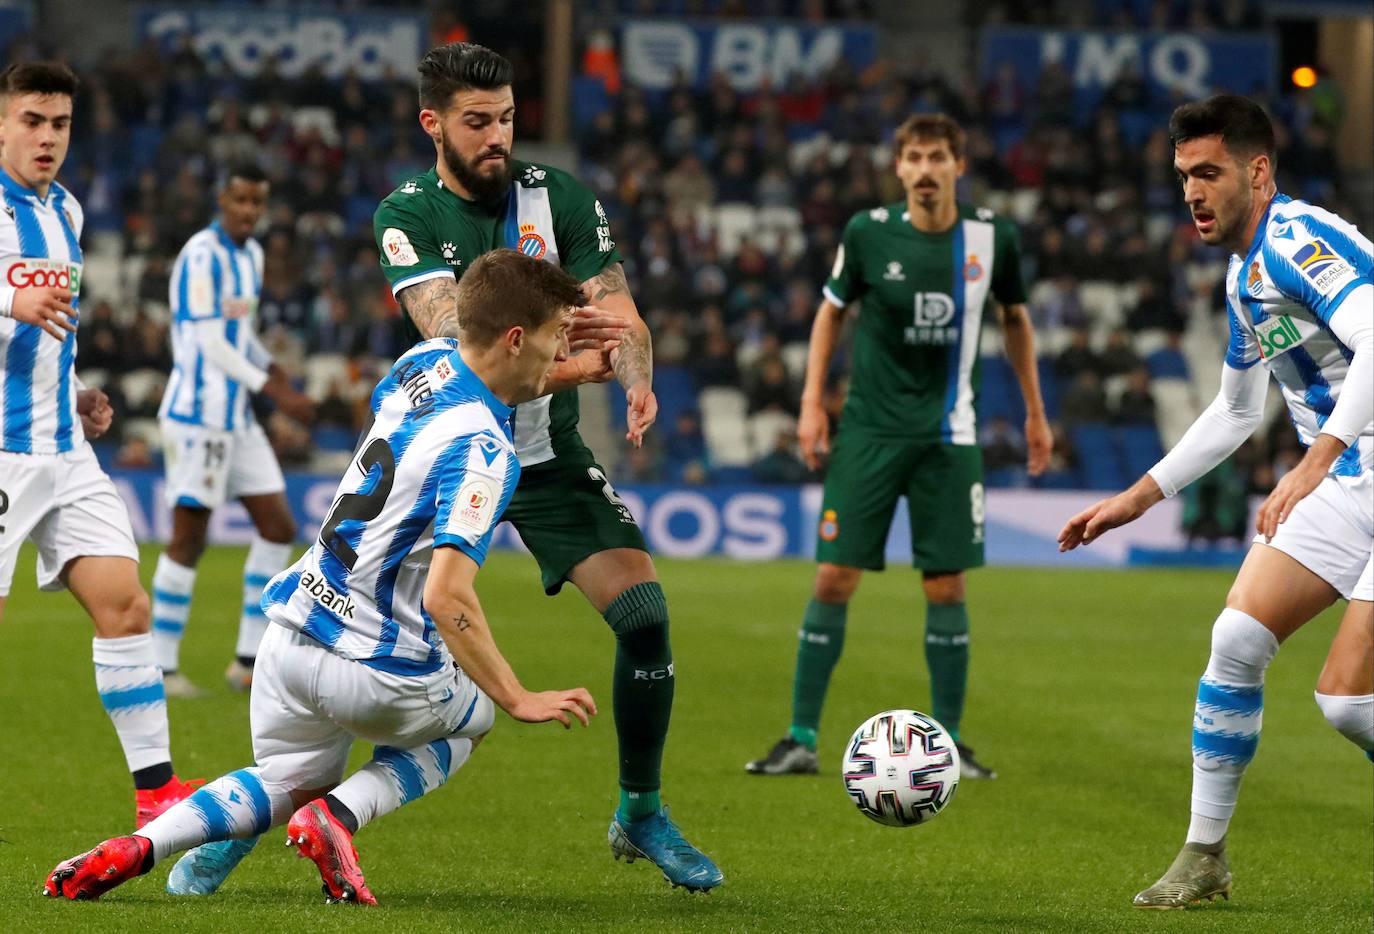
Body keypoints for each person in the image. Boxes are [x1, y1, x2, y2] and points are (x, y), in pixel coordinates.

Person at [42, 249, 599, 905]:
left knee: (286, 777)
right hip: (379, 670)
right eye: (556, 336)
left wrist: (582, 369)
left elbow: (494, 370)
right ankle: (338, 817)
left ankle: (148, 846)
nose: (560, 350)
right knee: (471, 719)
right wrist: (517, 696)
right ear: (515, 338)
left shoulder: (416, 365)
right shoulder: (485, 453)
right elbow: (447, 596)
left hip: (290, 636)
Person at [371, 43, 721, 890]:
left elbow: (621, 314)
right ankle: (257, 812)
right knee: (357, 645)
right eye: (478, 122)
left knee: (644, 615)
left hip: (547, 454)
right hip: (450, 453)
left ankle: (641, 812)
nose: (498, 136)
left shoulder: (558, 197)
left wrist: (634, 376)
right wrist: (586, 363)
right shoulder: (407, 215)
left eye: (508, 119)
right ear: (434, 125)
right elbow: (464, 348)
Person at [1058, 94, 1372, 910]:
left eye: (1209, 173)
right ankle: (1205, 859)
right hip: (1346, 481)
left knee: (1346, 701)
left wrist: (1316, 458)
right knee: (1236, 637)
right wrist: (1139, 495)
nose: (1193, 192)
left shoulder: (1302, 240)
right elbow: (1237, 410)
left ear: (1258, 171)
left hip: (1342, 468)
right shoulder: (1244, 274)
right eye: (1183, 176)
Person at [746, 113, 1052, 780]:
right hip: (869, 432)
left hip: (950, 434)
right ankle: (799, 738)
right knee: (833, 576)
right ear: (899, 167)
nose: (923, 170)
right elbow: (831, 310)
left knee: (945, 586)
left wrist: (1034, 411)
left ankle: (949, 744)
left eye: (936, 157)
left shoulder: (991, 238)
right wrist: (809, 402)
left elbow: (1016, 319)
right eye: (911, 157)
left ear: (957, 166)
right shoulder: (867, 232)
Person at [0, 61, 200, 826]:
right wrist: (11, 298)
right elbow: (20, 302)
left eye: (60, 125)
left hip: (64, 448)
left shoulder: (70, 213)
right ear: (4, 123)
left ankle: (156, 795)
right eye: (32, 121)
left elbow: (56, 325)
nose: (47, 137)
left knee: (125, 604)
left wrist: (73, 391)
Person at [151, 163, 317, 697]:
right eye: (240, 200)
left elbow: (239, 335)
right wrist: (271, 390)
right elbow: (206, 341)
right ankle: (160, 665)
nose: (249, 211)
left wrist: (274, 370)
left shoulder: (252, 254)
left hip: (237, 419)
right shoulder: (202, 255)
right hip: (196, 415)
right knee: (188, 538)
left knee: (277, 525)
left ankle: (247, 661)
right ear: (222, 199)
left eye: (257, 202)